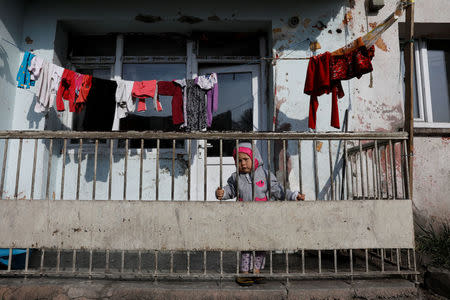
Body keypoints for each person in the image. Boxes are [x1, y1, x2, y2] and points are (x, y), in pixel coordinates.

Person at [215, 142, 305, 286]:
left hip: (263, 218)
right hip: (244, 219)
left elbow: (278, 191)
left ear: (255, 158)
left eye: (246, 159)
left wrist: (294, 196)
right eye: (239, 160)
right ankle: (244, 273)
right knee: (246, 246)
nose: (242, 163)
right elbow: (230, 190)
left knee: (261, 246)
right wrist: (222, 193)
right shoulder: (236, 178)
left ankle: (256, 272)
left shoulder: (265, 174)